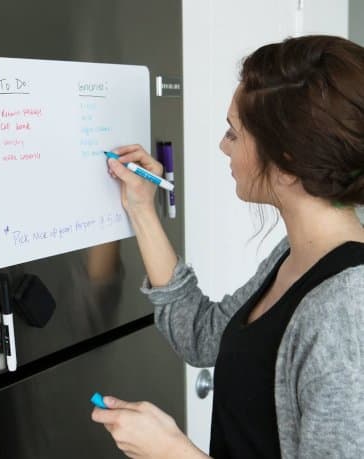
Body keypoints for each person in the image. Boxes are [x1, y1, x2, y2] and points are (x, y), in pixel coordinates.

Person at [91, 34, 364, 458]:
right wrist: (142, 209)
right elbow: (203, 336)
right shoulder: (296, 255)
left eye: (233, 134)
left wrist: (174, 452)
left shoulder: (346, 312)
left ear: (287, 159)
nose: (223, 145)